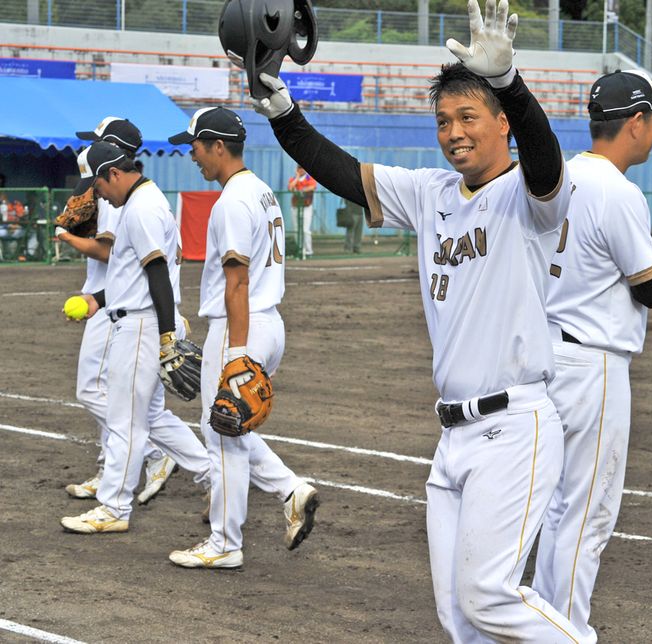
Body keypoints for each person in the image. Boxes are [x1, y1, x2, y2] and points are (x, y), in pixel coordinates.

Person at [244, 0, 583, 638]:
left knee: (487, 597)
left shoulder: (531, 197)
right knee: (458, 616)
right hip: (451, 437)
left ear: (502, 123)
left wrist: (510, 81)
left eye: (469, 117)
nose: (454, 131)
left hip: (515, 428)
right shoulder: (429, 192)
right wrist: (282, 110)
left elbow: (544, 159)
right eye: (443, 120)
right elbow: (339, 170)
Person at [532, 69, 652, 642]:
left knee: (557, 508)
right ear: (636, 121)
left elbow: (595, 262)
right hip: (594, 368)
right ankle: (567, 632)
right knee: (588, 513)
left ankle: (539, 621)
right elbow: (651, 289)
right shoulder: (618, 189)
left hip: (546, 358)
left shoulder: (558, 177)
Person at [166, 107, 319, 569]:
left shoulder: (232, 199)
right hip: (268, 323)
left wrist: (234, 352)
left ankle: (225, 543)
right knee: (234, 424)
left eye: (194, 145)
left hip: (242, 324)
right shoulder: (260, 189)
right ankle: (290, 489)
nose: (190, 153)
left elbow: (237, 281)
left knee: (222, 435)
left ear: (216, 145)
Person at [60, 142, 211, 534]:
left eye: (98, 187)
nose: (97, 196)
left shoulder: (141, 206)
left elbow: (156, 272)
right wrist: (98, 300)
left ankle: (113, 508)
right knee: (142, 418)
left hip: (143, 324)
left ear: (113, 173)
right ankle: (216, 477)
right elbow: (135, 276)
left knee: (125, 421)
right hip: (136, 317)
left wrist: (165, 335)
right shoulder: (142, 201)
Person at [57, 118, 177, 505]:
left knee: (98, 391)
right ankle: (115, 463)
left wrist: (66, 237)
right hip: (114, 301)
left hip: (121, 304)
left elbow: (110, 253)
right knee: (134, 400)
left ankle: (147, 453)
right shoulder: (124, 195)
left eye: (96, 143)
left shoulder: (116, 198)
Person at [287, 164, 316, 257]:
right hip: (295, 206)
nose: (301, 169)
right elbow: (291, 188)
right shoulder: (293, 178)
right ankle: (300, 249)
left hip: (306, 206)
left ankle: (308, 251)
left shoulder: (308, 178)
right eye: (299, 168)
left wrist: (300, 190)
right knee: (296, 229)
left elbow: (313, 187)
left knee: (305, 230)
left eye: (302, 167)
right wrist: (297, 177)